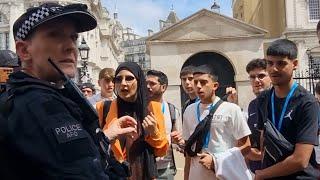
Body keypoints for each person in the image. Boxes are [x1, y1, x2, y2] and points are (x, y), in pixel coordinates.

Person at [0, 3, 137, 179]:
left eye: (73, 37)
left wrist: (103, 137)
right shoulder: (40, 105)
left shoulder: (39, 96)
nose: (71, 47)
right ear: (24, 50)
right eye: (55, 35)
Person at [255, 39, 320, 179]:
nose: (273, 69)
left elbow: (300, 160)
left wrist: (262, 175)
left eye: (281, 63)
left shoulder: (307, 103)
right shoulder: (262, 99)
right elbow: (263, 139)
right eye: (270, 63)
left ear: (295, 64)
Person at [175, 65, 251, 180]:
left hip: (224, 175)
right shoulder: (189, 111)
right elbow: (188, 152)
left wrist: (216, 161)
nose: (199, 86)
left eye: (203, 82)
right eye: (195, 82)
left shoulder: (231, 109)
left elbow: (246, 146)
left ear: (215, 86)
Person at [101, 62, 168, 180]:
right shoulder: (103, 108)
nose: (123, 83)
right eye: (118, 79)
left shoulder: (153, 108)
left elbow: (161, 151)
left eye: (129, 78)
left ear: (139, 81)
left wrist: (153, 132)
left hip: (145, 174)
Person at [146, 70, 181, 180]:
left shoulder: (172, 110)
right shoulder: (139, 110)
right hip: (144, 167)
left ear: (163, 87)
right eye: (146, 83)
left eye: (152, 83)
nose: (147, 86)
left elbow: (177, 140)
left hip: (165, 169)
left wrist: (177, 139)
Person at [245, 58, 272, 173]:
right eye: (252, 77)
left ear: (271, 77)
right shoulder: (252, 105)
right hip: (256, 171)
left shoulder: (277, 102)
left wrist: (261, 155)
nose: (256, 80)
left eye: (261, 76)